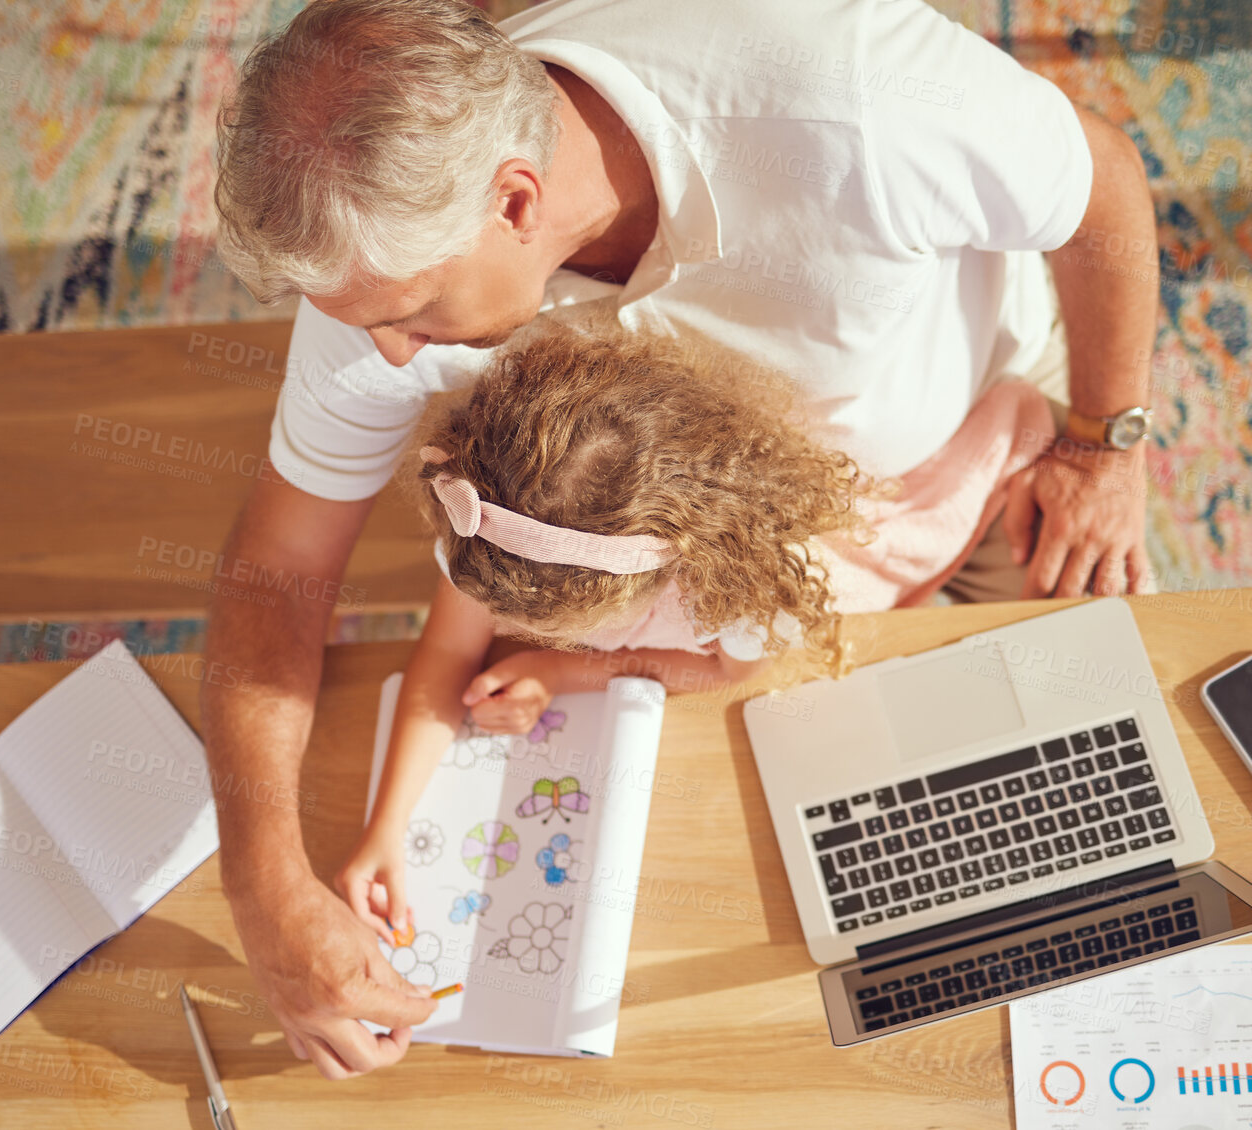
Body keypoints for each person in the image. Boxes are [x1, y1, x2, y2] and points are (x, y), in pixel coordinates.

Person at [207, 0, 1160, 1077]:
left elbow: (1102, 188)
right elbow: (278, 571)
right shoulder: (380, 243)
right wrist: (265, 883)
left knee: (1105, 784)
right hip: (719, 564)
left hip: (990, 451)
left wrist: (1101, 444)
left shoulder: (848, 102)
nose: (387, 360)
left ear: (513, 201)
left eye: (415, 313)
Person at [337, 323, 1055, 946]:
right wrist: (384, 830)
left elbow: (725, 673)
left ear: (635, 592)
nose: (508, 624)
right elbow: (444, 650)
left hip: (880, 538)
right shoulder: (494, 523)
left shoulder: (740, 600)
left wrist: (563, 674)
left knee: (1002, 627)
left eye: (540, 626)